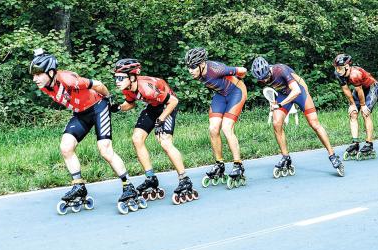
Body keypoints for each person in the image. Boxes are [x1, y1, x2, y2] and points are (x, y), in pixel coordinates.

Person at [29, 49, 144, 215]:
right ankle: (79, 186)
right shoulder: (45, 86)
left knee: (105, 150)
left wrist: (108, 98)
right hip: (80, 113)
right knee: (66, 147)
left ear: (51, 72)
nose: (35, 79)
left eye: (38, 74)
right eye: (34, 75)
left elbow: (98, 84)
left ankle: (128, 186)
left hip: (98, 107)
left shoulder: (68, 80)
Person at [110, 58, 197, 204]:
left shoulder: (147, 88)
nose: (117, 81)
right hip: (153, 106)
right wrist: (118, 107)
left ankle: (184, 179)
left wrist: (161, 120)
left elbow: (174, 101)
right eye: (116, 78)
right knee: (137, 139)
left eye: (120, 78)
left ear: (132, 77)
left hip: (168, 106)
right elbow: (130, 103)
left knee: (164, 142)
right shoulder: (127, 88)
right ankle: (151, 178)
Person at [250, 57, 345, 176]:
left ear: (268, 70)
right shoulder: (262, 76)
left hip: (299, 92)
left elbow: (296, 91)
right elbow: (275, 89)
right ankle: (285, 157)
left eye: (265, 77)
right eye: (261, 79)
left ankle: (332, 155)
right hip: (283, 94)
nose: (264, 80)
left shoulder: (280, 70)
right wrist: (273, 102)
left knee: (314, 124)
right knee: (276, 123)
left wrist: (279, 104)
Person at [186, 48, 248, 189]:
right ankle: (219, 164)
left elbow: (243, 70)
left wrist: (238, 79)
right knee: (213, 128)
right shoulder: (198, 72)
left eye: (193, 66)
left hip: (236, 92)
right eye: (188, 67)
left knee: (226, 128)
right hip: (220, 95)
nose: (190, 70)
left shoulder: (216, 69)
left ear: (202, 64)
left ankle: (238, 164)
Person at [333, 54, 378, 160]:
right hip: (359, 89)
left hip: (371, 88)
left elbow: (360, 91)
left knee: (365, 113)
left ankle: (369, 144)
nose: (337, 70)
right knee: (353, 113)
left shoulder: (355, 74)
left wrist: (363, 105)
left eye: (339, 67)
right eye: (336, 67)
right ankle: (355, 142)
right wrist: (352, 104)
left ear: (347, 66)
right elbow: (346, 90)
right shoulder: (338, 74)